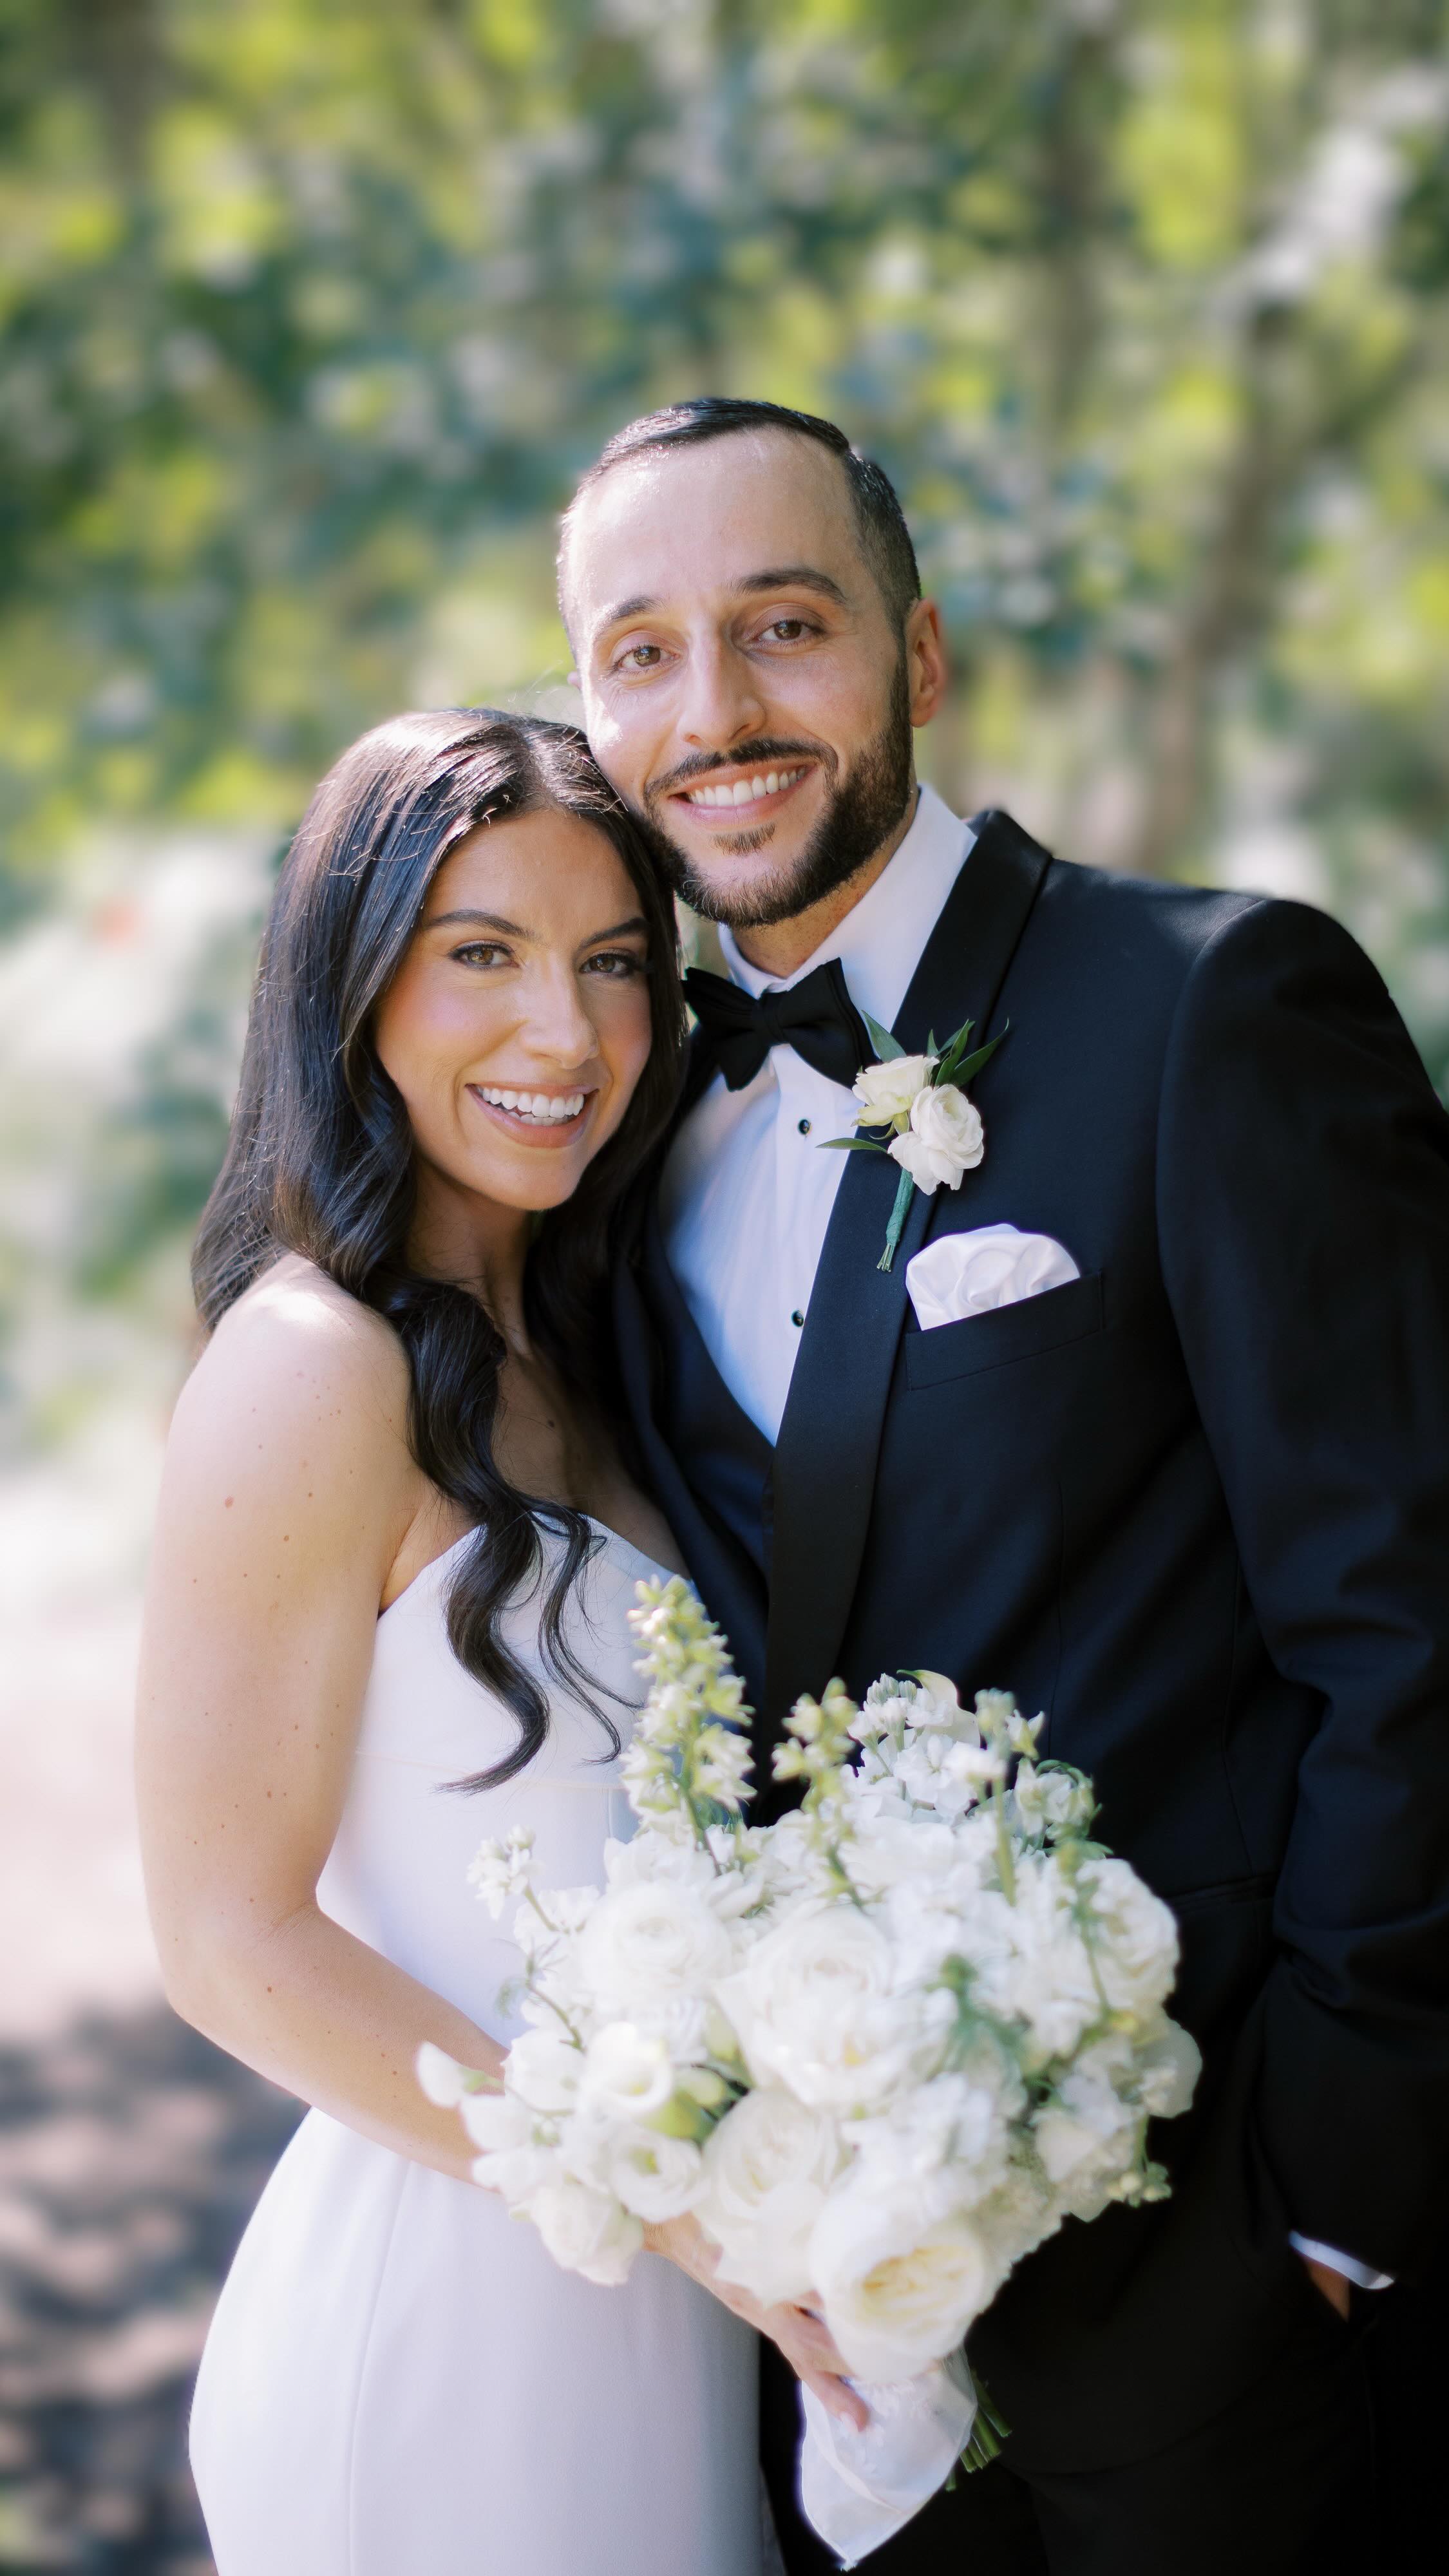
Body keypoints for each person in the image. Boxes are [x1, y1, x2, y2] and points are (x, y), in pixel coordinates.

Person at [558, 397, 1449, 2574]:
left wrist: (1331, 2210)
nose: (718, 711)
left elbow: (1411, 1625)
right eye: (642, 652)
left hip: (1225, 2293)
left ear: (920, 655)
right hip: (822, 2352)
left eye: (785, 625)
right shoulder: (599, 1122)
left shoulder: (1207, 1007)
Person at [133, 708, 858, 2576]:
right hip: (455, 2327)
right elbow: (228, 1942)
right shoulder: (311, 1368)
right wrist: (659, 2190)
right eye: (483, 956)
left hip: (663, 2316)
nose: (567, 1036)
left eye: (615, 963)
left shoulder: (597, 1341)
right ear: (352, 986)